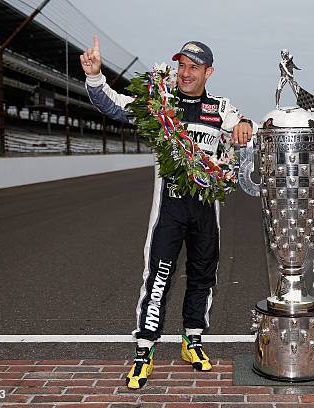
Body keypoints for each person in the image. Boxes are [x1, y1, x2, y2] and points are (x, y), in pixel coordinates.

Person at [80, 36, 255, 389]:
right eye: (181, 66)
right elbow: (114, 106)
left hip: (207, 210)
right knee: (158, 280)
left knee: (204, 276)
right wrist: (95, 76)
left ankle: (193, 340)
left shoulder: (221, 108)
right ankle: (144, 351)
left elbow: (244, 132)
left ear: (209, 72)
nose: (185, 73)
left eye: (193, 67)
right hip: (169, 211)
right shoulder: (161, 104)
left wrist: (245, 125)